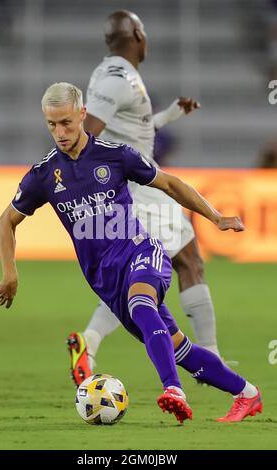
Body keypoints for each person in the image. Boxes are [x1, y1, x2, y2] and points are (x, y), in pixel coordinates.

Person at [0, 82, 262, 423]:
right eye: (51, 124)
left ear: (82, 114)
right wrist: (9, 272)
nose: (59, 132)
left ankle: (173, 390)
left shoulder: (115, 155)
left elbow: (171, 184)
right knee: (179, 348)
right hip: (105, 281)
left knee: (142, 302)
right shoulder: (44, 175)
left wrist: (216, 217)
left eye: (66, 123)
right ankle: (247, 394)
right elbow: (6, 221)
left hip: (141, 251)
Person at [67, 10, 229, 386]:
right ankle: (209, 360)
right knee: (175, 267)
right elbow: (88, 136)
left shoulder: (110, 74)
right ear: (138, 34)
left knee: (170, 266)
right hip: (138, 191)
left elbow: (128, 131)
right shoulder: (119, 79)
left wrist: (168, 116)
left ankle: (89, 343)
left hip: (137, 186)